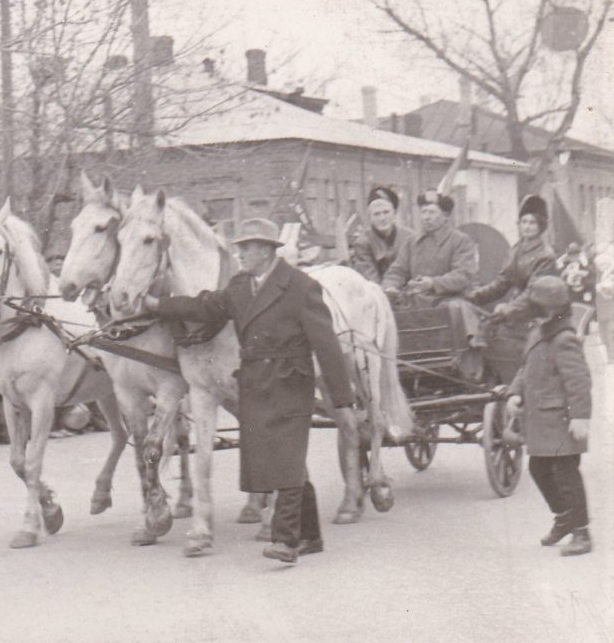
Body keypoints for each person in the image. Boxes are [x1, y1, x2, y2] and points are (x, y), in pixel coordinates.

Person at [142, 218, 358, 564]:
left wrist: (343, 400)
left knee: (286, 462)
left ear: (267, 250)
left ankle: (287, 541)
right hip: (256, 382)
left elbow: (327, 346)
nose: (238, 253)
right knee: (280, 460)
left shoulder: (301, 287)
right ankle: (311, 536)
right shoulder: (242, 287)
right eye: (238, 247)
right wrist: (157, 306)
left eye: (246, 247)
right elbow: (205, 305)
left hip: (290, 380)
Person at [506, 276, 593, 556]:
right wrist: (515, 392)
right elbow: (525, 368)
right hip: (542, 420)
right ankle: (564, 517)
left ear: (545, 308)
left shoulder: (564, 339)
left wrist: (580, 418)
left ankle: (582, 533)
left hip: (560, 422)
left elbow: (579, 381)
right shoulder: (538, 332)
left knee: (566, 475)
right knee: (538, 469)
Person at [468, 195, 558, 321]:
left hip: (538, 313)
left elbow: (532, 293)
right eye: (524, 222)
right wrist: (472, 296)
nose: (527, 227)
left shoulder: (545, 255)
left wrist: (507, 310)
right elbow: (501, 283)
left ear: (541, 225)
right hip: (518, 309)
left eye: (532, 223)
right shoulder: (516, 249)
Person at [382, 190, 477, 305]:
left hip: (448, 300)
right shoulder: (411, 242)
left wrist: (432, 283)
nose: (426, 217)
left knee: (455, 308)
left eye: (432, 212)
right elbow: (397, 271)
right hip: (415, 301)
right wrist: (390, 287)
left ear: (445, 215)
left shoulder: (460, 240)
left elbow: (462, 275)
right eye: (423, 212)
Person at [350, 185, 414, 284]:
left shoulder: (409, 236)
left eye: (386, 212)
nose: (382, 218)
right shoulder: (363, 243)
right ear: (370, 217)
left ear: (395, 213)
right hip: (379, 294)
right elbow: (371, 280)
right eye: (376, 214)